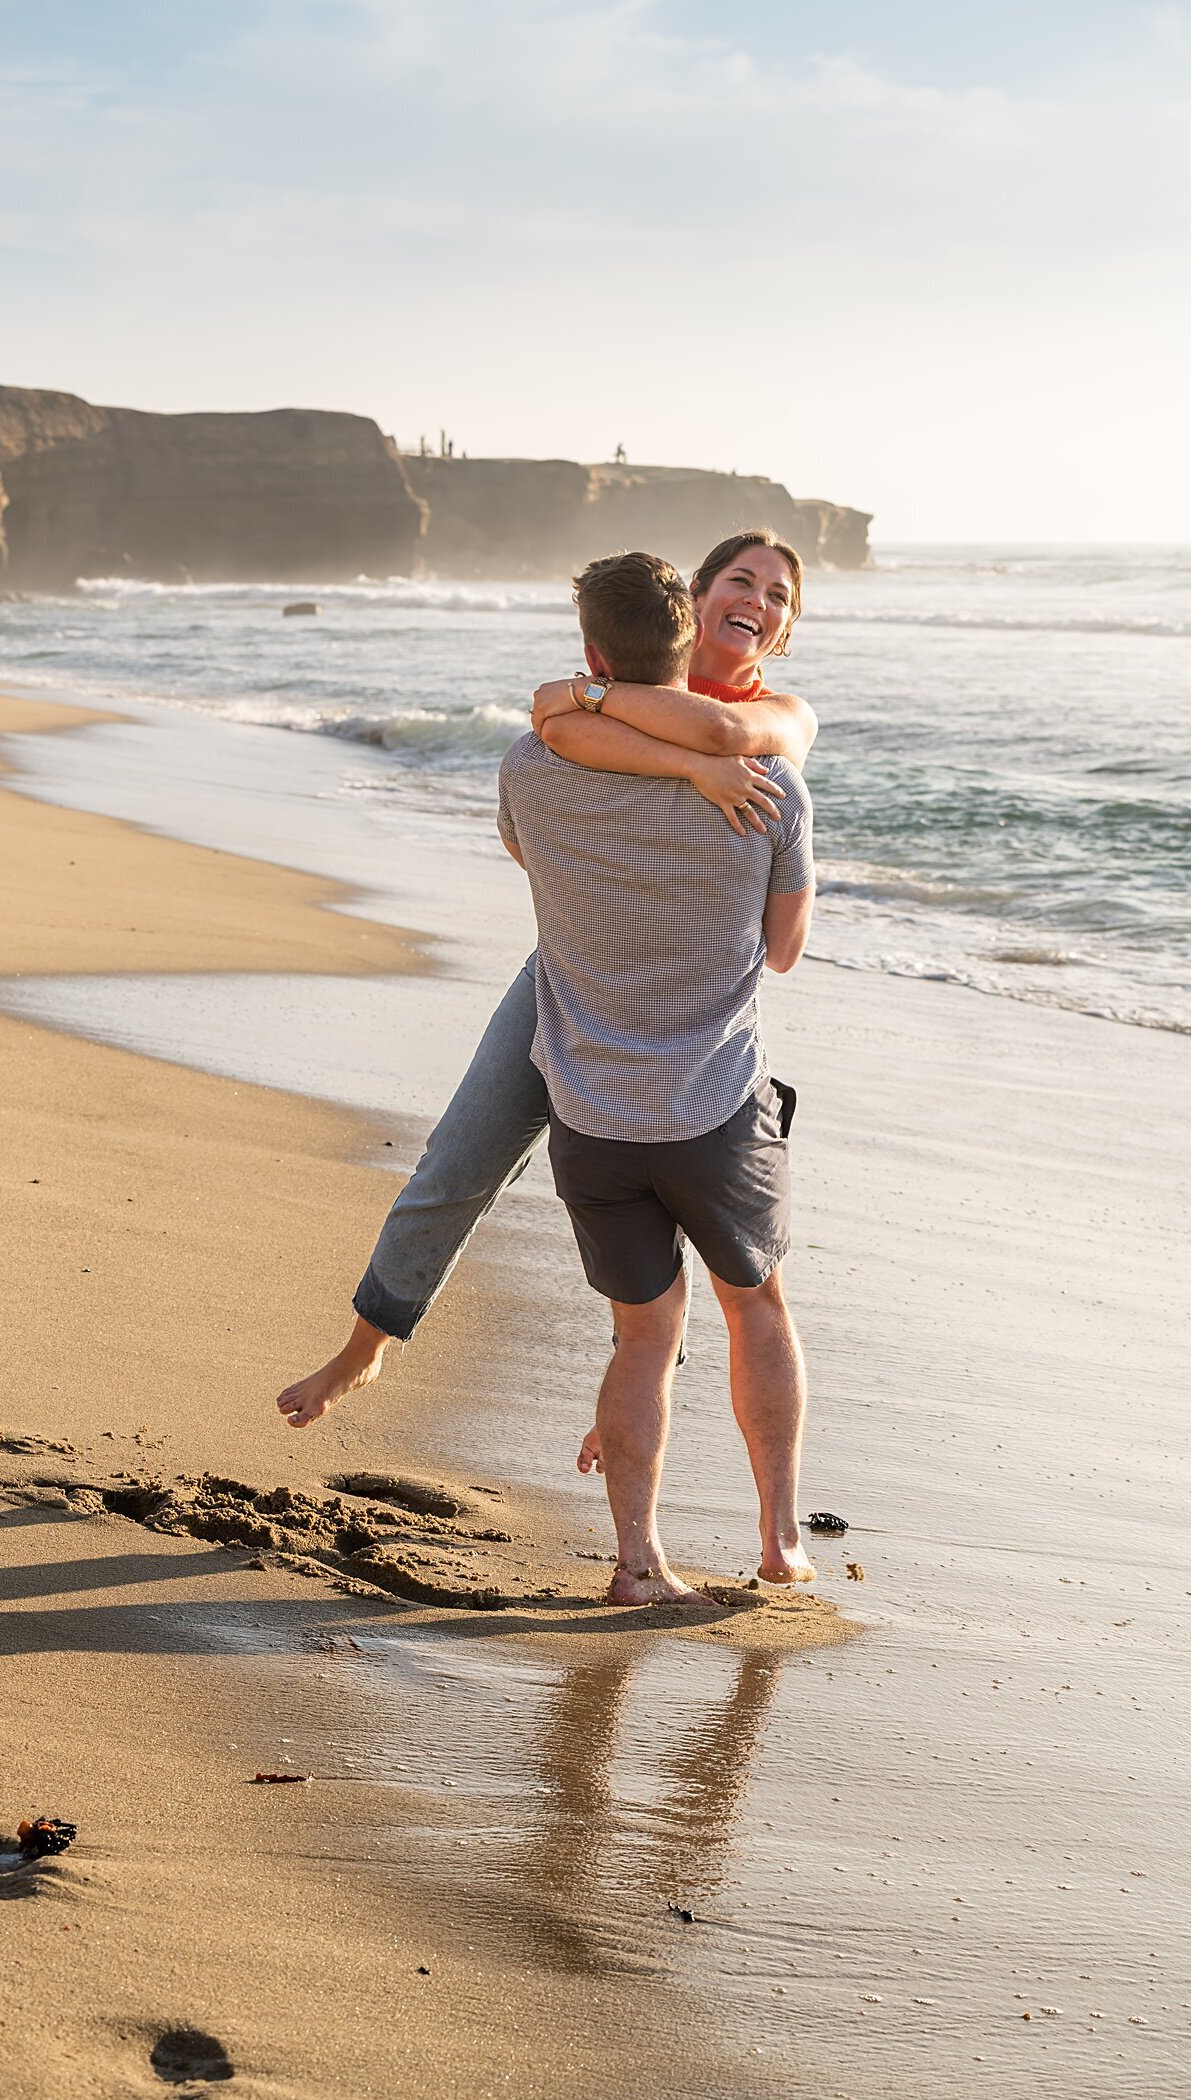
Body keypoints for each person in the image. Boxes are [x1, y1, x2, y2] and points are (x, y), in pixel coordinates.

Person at [275, 529, 815, 1441]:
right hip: (568, 969)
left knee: (658, 1186)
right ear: (698, 592)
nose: (759, 601)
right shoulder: (627, 690)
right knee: (463, 1156)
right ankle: (369, 1341)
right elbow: (559, 726)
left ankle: (630, 1391)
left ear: (784, 628)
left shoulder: (778, 717)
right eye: (741, 579)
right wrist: (686, 764)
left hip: (687, 995)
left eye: (779, 595)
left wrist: (636, 717)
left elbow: (700, 730)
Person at [496, 551, 814, 1601]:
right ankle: (777, 1541)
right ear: (689, 643)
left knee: (643, 1336)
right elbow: (781, 950)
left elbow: (525, 855)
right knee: (755, 1308)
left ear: (595, 657)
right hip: (711, 1109)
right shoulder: (768, 785)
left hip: (589, 1119)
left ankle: (637, 1565)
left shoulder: (528, 767)